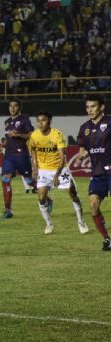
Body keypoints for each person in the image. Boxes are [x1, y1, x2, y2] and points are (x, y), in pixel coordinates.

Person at [29, 110, 89, 235]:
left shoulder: (57, 135)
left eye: (43, 120)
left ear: (49, 121)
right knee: (41, 198)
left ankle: (81, 222)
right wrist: (35, 168)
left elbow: (63, 158)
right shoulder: (34, 135)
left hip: (60, 170)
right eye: (38, 121)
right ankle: (49, 224)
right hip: (43, 170)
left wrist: (56, 175)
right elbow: (33, 150)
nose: (40, 123)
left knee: (73, 195)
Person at [76, 94, 111, 251]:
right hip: (97, 173)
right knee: (93, 205)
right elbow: (82, 147)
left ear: (102, 107)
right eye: (87, 107)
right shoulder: (84, 128)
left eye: (93, 106)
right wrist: (81, 154)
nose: (90, 110)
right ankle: (107, 240)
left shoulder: (110, 122)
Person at [0, 98, 35, 219]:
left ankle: (47, 198)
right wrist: (2, 145)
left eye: (15, 106)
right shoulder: (7, 122)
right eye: (10, 106)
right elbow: (8, 137)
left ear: (19, 108)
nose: (12, 108)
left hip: (21, 155)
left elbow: (31, 135)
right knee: (5, 179)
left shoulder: (24, 119)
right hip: (9, 155)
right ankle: (8, 210)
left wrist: (19, 134)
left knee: (30, 182)